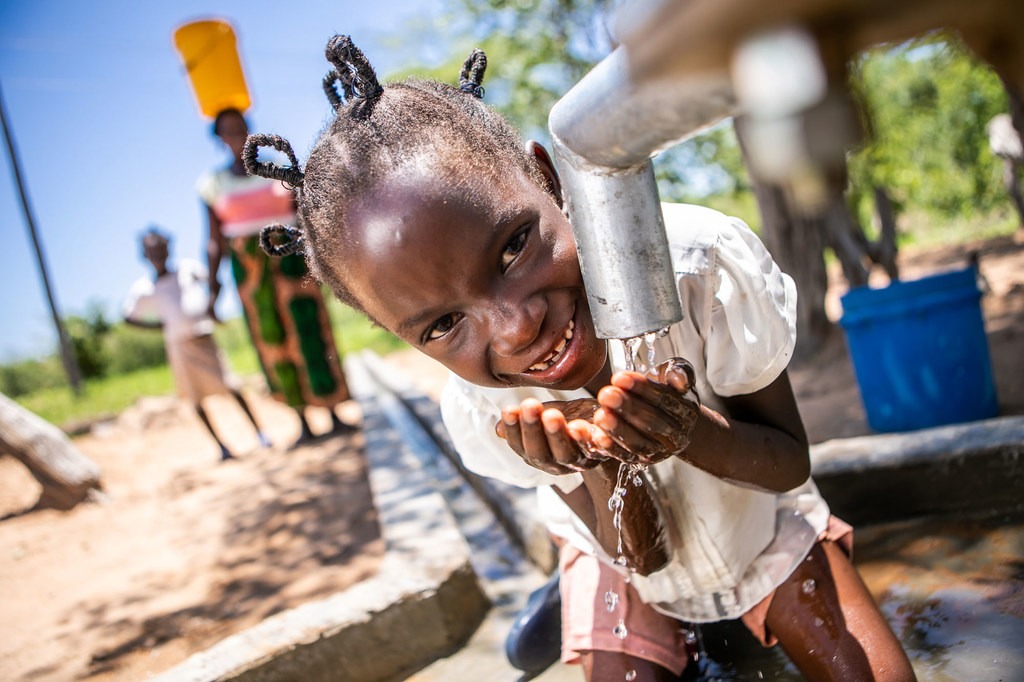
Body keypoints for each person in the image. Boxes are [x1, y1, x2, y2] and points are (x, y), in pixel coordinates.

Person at [244, 36, 916, 681]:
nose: (515, 327)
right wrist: (591, 467)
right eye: (445, 324)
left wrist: (689, 434)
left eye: (513, 248)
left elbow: (788, 463)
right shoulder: (490, 410)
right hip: (623, 561)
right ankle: (571, 587)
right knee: (614, 600)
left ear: (545, 177)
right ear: (399, 335)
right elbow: (643, 559)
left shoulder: (696, 270)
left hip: (759, 530)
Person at [197, 107, 357, 445]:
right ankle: (302, 420)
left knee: (310, 327)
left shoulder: (277, 172)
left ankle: (331, 410)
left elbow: (307, 214)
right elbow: (214, 242)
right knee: (273, 338)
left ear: (249, 129)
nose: (235, 135)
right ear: (219, 138)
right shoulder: (212, 185)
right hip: (250, 270)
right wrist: (213, 292)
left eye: (239, 127)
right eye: (227, 130)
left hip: (291, 258)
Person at [124, 228, 271, 461]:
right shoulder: (144, 289)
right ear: (145, 256)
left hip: (203, 337)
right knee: (195, 399)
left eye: (161, 250)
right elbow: (129, 318)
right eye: (152, 252)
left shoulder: (188, 269)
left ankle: (260, 433)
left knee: (230, 386)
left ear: (168, 249)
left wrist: (211, 306)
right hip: (180, 347)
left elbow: (215, 281)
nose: (158, 256)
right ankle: (222, 446)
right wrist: (163, 326)